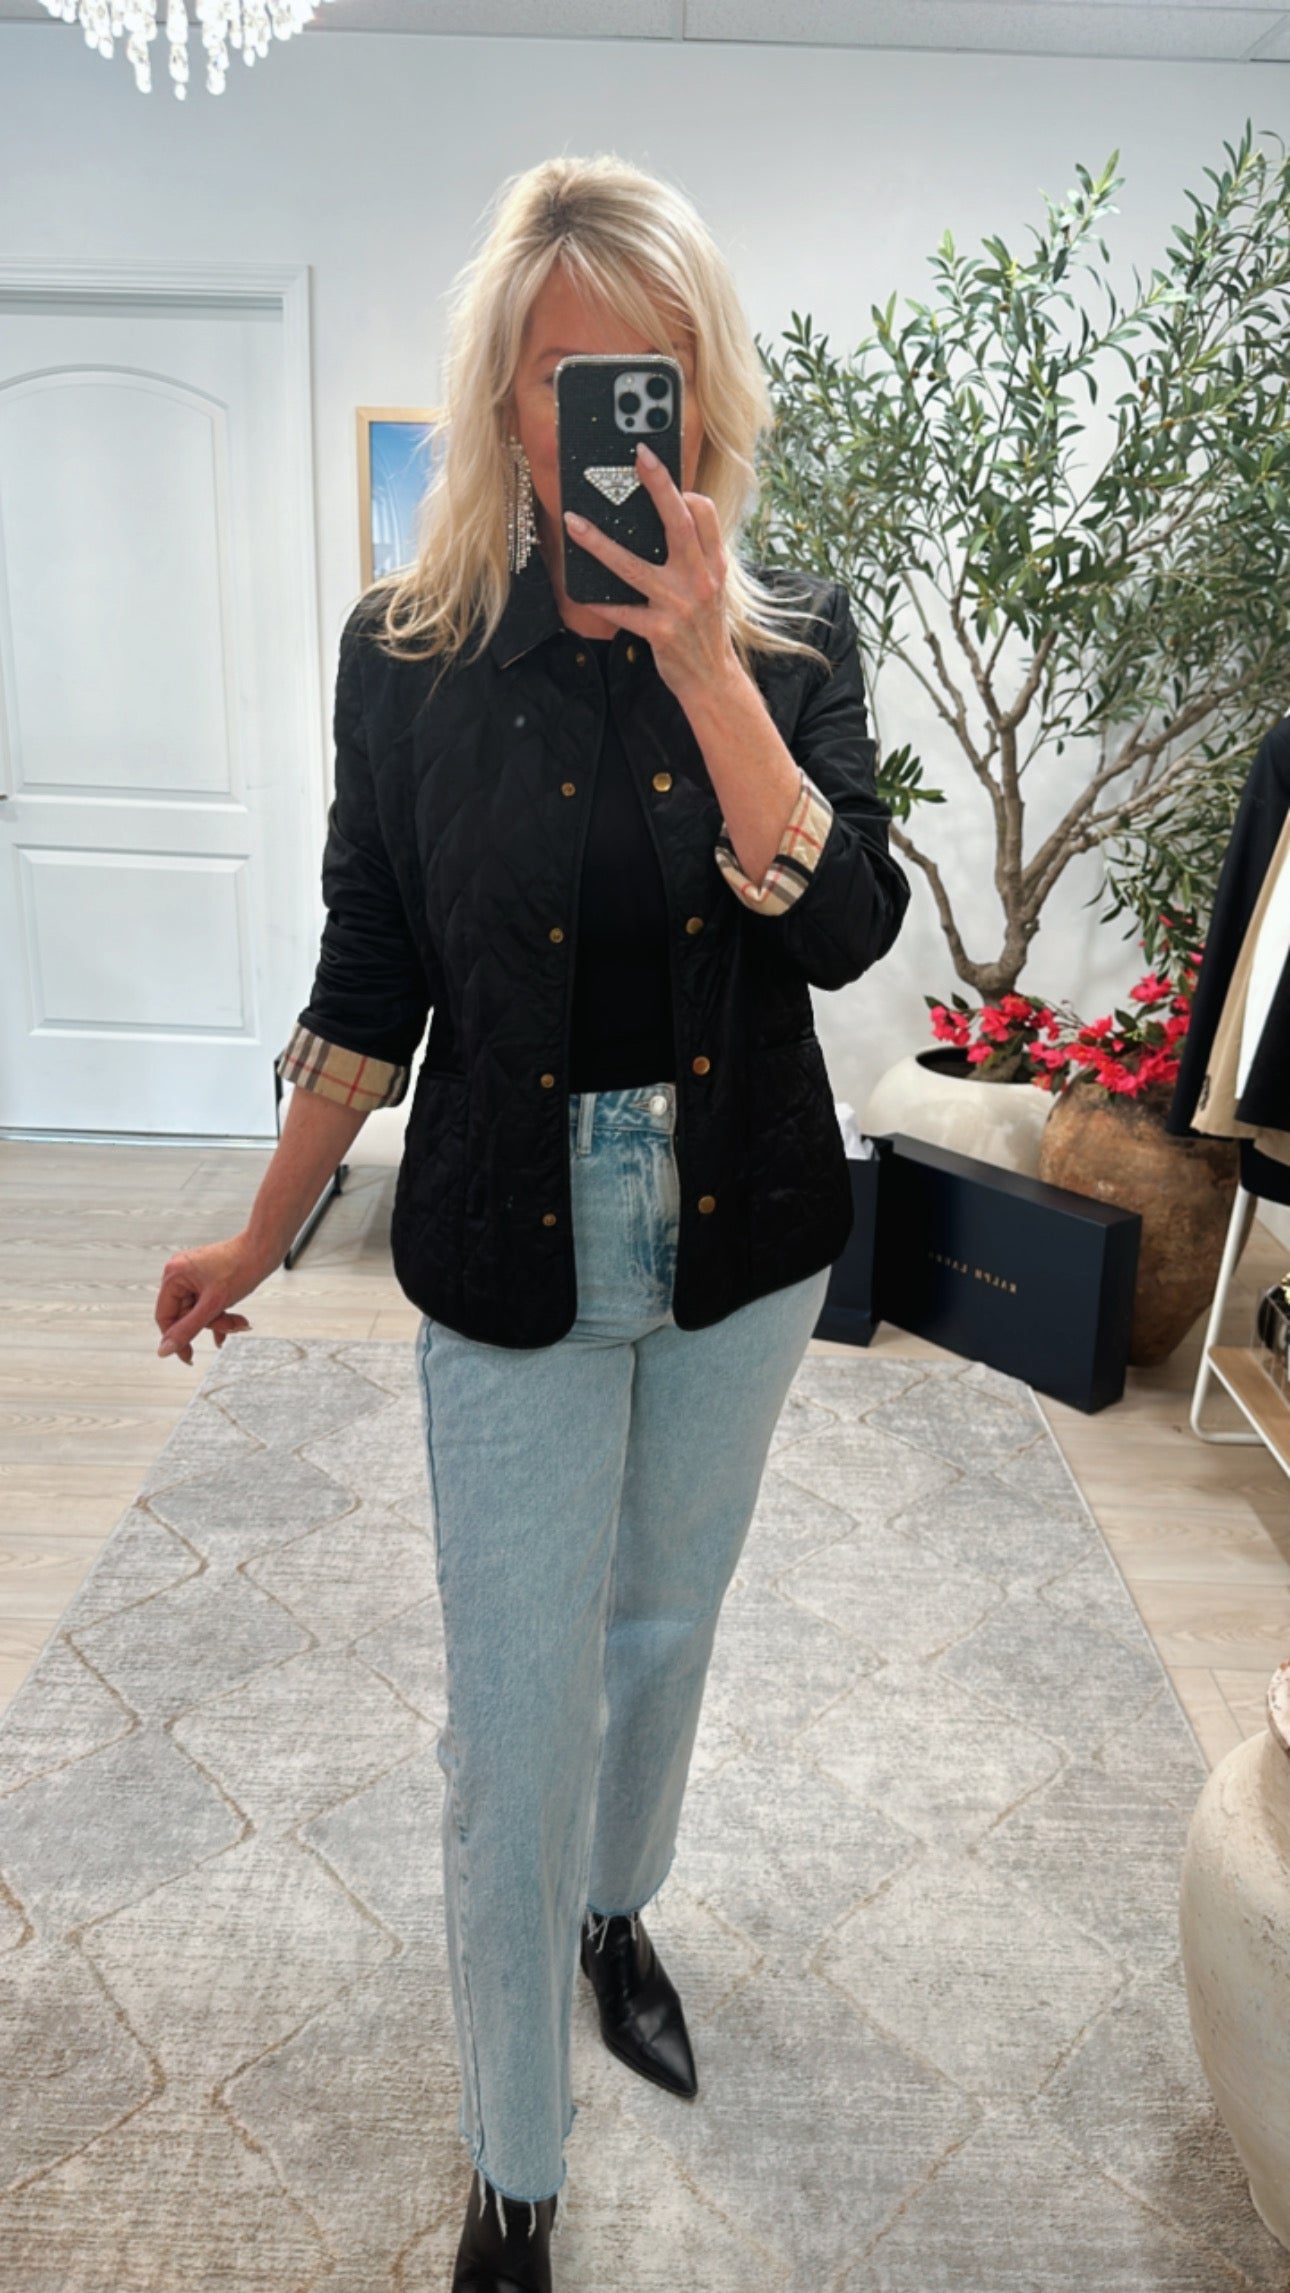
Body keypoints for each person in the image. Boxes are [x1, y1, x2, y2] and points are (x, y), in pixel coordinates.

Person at [153, 152, 910, 2293]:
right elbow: (366, 969)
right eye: (572, 381)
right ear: (504, 397)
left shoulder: (790, 633)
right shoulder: (401, 656)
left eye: (650, 379)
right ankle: (514, 2160)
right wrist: (258, 1232)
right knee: (511, 1711)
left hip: (744, 1229)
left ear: (705, 395)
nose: (610, 423)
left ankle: (616, 1908)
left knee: (661, 1631)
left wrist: (707, 666)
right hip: (507, 1232)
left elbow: (849, 925)